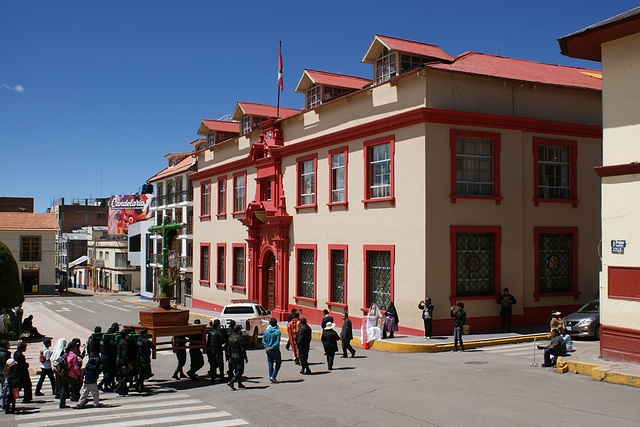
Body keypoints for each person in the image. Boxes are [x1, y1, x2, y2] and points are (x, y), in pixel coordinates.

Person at [60, 340, 82, 408]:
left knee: (64, 389)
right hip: (71, 374)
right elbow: (76, 367)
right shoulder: (74, 356)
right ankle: (80, 402)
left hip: (65, 373)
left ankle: (62, 403)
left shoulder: (67, 354)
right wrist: (80, 374)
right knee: (75, 389)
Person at [226, 325, 248, 390]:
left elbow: (228, 347)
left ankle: (239, 383)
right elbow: (242, 349)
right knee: (240, 370)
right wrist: (245, 357)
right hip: (239, 355)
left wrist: (229, 356)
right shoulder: (239, 338)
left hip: (232, 355)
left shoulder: (230, 337)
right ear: (238, 330)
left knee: (236, 370)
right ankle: (231, 381)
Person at [99, 323, 118, 392]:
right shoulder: (108, 340)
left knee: (107, 372)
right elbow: (115, 344)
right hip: (108, 358)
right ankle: (101, 384)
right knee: (109, 373)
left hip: (104, 357)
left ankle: (107, 385)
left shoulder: (102, 338)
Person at [262, 318, 282, 383]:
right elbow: (277, 341)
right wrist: (272, 347)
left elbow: (263, 341)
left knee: (270, 363)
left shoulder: (266, 331)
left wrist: (267, 347)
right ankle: (273, 376)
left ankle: (271, 376)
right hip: (275, 349)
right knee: (278, 362)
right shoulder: (277, 331)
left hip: (268, 350)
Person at [115, 329, 133, 396]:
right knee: (125, 377)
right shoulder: (125, 343)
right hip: (123, 362)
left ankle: (124, 390)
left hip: (118, 361)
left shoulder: (119, 341)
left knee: (121, 376)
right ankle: (119, 388)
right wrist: (129, 363)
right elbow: (124, 355)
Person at [206, 319, 225, 383]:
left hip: (211, 351)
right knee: (220, 364)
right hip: (217, 351)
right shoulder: (218, 333)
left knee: (212, 364)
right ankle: (222, 378)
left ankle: (212, 378)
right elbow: (223, 341)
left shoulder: (210, 332)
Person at [0, 339, 11, 411]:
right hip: (3, 373)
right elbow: (6, 365)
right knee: (5, 390)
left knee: (3, 389)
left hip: (1, 373)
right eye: (8, 344)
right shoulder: (5, 354)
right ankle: (3, 405)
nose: (9, 345)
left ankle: (4, 404)